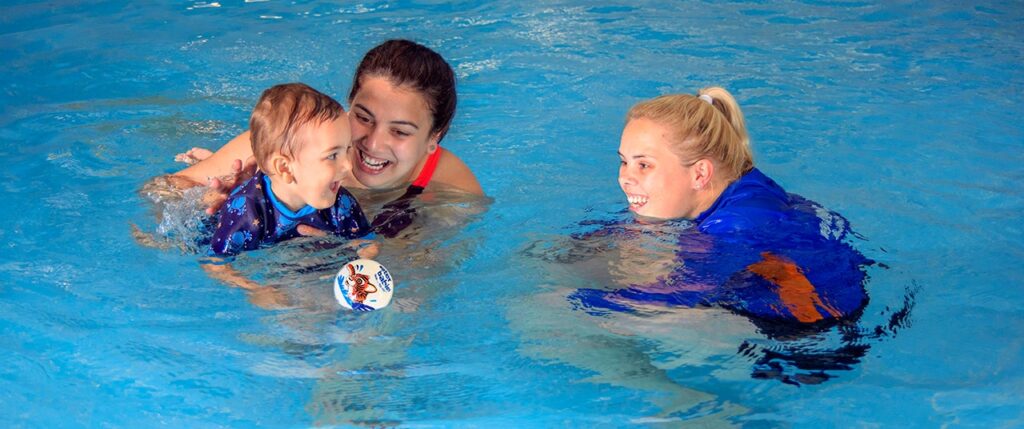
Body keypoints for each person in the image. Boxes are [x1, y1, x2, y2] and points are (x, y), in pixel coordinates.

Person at [572, 87, 871, 325]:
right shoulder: (743, 187)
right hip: (801, 302)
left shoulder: (732, 228)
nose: (625, 177)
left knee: (578, 315)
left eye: (644, 165)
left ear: (700, 173)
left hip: (809, 342)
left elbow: (675, 294)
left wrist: (586, 303)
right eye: (624, 161)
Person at [173, 39, 483, 238]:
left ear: (434, 138)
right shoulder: (292, 146)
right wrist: (206, 204)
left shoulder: (452, 190)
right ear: (349, 104)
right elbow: (161, 190)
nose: (372, 144)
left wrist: (339, 254)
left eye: (400, 131)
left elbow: (427, 287)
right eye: (363, 117)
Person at [207, 83, 372, 257]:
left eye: (347, 149)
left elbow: (367, 244)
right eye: (332, 156)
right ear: (285, 168)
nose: (348, 165)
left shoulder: (341, 203)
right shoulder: (247, 210)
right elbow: (217, 265)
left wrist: (342, 255)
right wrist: (260, 286)